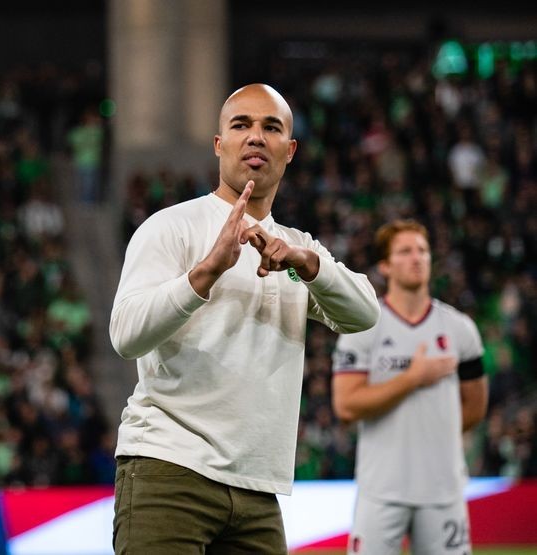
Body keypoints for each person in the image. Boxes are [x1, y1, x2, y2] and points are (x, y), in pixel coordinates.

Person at [109, 83, 380, 553]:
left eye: (271, 127)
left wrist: (309, 265)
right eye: (241, 125)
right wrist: (205, 274)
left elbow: (364, 314)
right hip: (169, 472)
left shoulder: (297, 247)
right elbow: (126, 335)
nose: (256, 137)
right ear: (220, 144)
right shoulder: (171, 227)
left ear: (289, 150)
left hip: (257, 489)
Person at [332, 219, 487, 555]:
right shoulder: (362, 328)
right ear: (385, 266)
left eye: (423, 251)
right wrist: (412, 378)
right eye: (405, 251)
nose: (417, 258)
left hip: (443, 490)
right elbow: (346, 406)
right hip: (381, 490)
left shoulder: (461, 329)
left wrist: (435, 434)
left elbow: (475, 406)